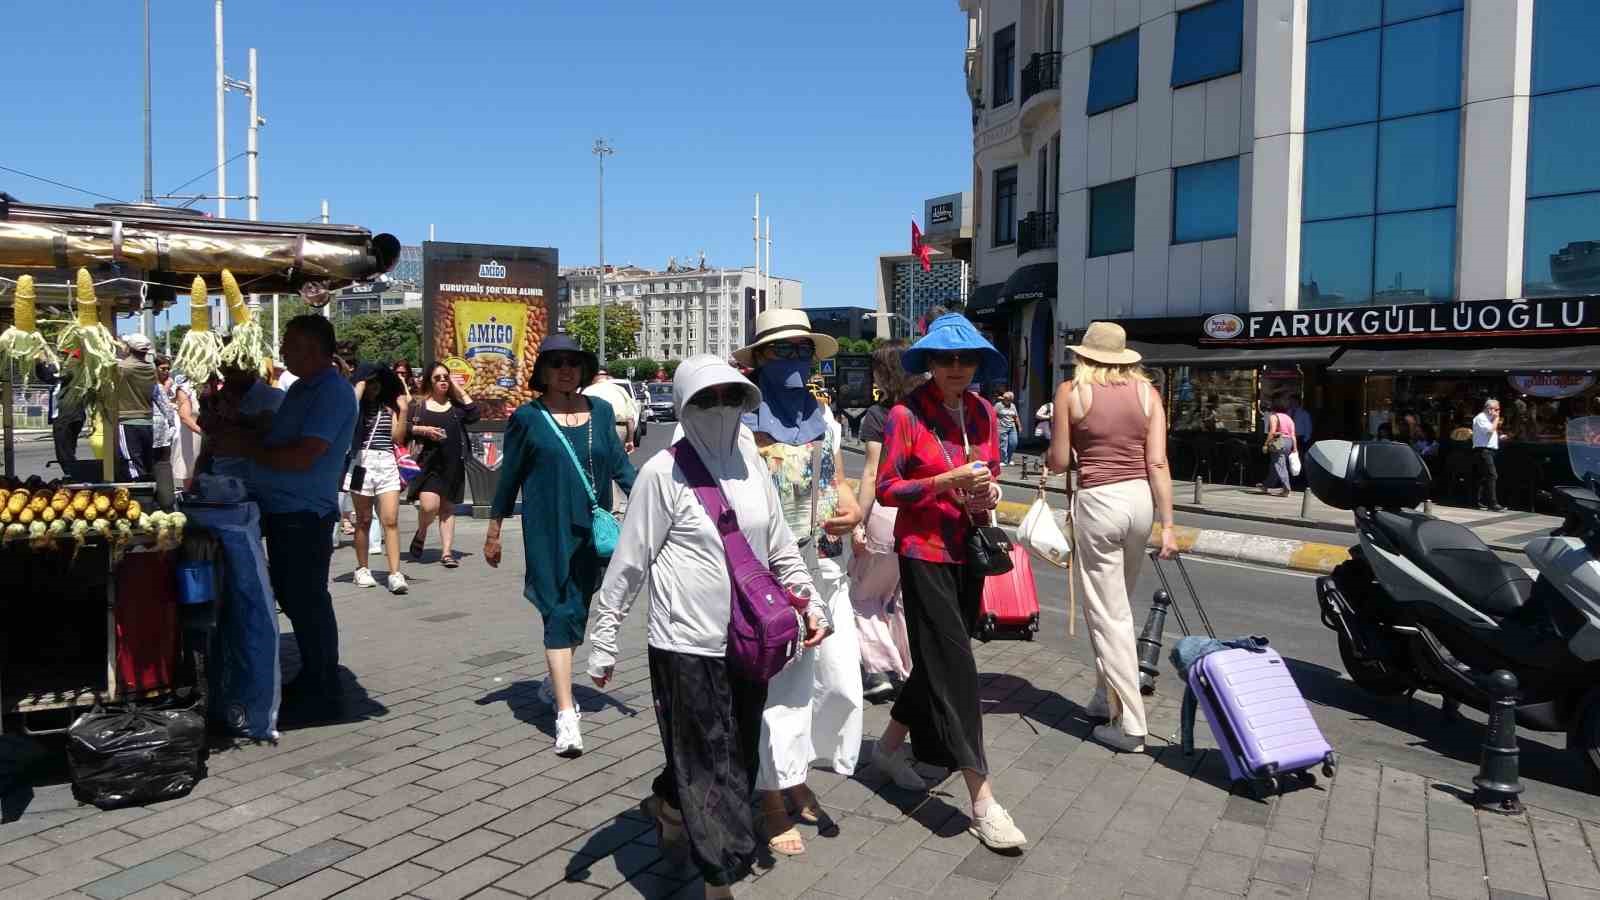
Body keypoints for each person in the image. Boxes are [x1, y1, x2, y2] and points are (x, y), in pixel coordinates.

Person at [586, 356, 825, 898]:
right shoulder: (661, 473)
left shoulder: (751, 463)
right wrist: (603, 640)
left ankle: (670, 806)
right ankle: (720, 879)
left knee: (731, 751)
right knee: (708, 762)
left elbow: (780, 546)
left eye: (729, 398)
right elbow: (629, 562)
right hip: (684, 643)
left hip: (749, 640)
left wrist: (812, 604)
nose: (719, 409)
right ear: (685, 405)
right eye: (706, 399)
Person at [870, 312, 1027, 852]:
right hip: (922, 552)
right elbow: (887, 489)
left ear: (979, 363)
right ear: (929, 364)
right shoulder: (905, 415)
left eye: (965, 358)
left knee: (940, 656)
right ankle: (983, 798)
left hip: (970, 550)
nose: (956, 367)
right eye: (945, 358)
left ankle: (890, 747)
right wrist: (943, 482)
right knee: (958, 667)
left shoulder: (983, 412)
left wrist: (986, 495)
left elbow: (990, 477)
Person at [734, 309, 863, 857]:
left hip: (825, 562)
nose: (795, 361)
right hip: (769, 574)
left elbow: (836, 480)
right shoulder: (740, 422)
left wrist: (851, 506)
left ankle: (795, 771)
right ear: (759, 359)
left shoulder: (823, 415)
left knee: (838, 683)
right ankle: (771, 794)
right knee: (782, 689)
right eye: (782, 351)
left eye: (803, 351)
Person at [485, 333, 636, 757]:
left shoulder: (602, 412)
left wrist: (662, 499)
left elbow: (622, 468)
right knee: (560, 610)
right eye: (556, 363)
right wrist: (494, 528)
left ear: (584, 370)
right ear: (543, 372)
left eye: (573, 362)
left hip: (592, 531)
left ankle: (554, 682)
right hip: (547, 530)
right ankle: (566, 717)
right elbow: (509, 475)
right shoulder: (529, 417)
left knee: (578, 613)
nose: (566, 369)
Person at [212, 315, 357, 720]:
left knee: (305, 598)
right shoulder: (301, 389)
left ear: (313, 349)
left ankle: (322, 684)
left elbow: (304, 454)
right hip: (283, 507)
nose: (283, 353)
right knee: (295, 595)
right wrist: (253, 429)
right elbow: (283, 438)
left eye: (290, 345)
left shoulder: (331, 392)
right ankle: (315, 676)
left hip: (304, 512)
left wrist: (245, 444)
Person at [1045, 321, 1178, 754]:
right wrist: (1169, 526)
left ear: (1084, 356)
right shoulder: (1148, 394)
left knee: (1108, 616)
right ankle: (1104, 700)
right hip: (1140, 501)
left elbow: (1061, 461)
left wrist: (1055, 448)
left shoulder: (1070, 393)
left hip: (1099, 501)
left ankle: (1133, 725)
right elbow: (1158, 463)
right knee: (1118, 605)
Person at [850, 341, 918, 702]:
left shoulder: (880, 415)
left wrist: (857, 521)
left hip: (886, 514)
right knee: (902, 598)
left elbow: (872, 473)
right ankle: (909, 667)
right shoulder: (924, 410)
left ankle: (879, 669)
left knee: (864, 596)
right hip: (919, 513)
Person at [346, 364, 411, 594]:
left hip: (386, 462)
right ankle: (362, 568)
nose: (374, 387)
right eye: (370, 382)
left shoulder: (389, 407)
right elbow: (347, 419)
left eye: (377, 382)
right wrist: (359, 390)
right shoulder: (357, 407)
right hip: (362, 462)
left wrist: (403, 412)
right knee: (363, 519)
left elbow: (398, 438)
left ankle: (395, 573)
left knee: (390, 519)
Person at [408, 362, 479, 567]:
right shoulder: (419, 405)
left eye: (446, 377)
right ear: (429, 381)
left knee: (447, 508)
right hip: (428, 465)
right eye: (437, 378)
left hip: (453, 464)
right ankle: (422, 531)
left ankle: (447, 553)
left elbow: (474, 414)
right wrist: (423, 430)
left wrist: (458, 388)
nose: (442, 381)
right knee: (430, 506)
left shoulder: (455, 407)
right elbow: (403, 427)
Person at [194, 360, 285, 483]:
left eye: (232, 370)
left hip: (260, 486)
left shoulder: (273, 397)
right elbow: (207, 449)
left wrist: (234, 417)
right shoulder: (218, 400)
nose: (225, 373)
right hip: (221, 483)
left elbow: (268, 431)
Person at [114, 334, 159, 477]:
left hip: (128, 420)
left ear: (129, 348)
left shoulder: (123, 367)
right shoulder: (151, 368)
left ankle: (139, 492)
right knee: (146, 460)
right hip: (146, 420)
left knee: (132, 461)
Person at [582, 368, 637, 453]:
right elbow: (630, 419)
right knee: (617, 460)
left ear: (593, 378)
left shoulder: (587, 391)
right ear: (608, 377)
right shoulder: (620, 390)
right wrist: (630, 440)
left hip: (595, 430)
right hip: (619, 429)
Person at [51, 352, 87, 468]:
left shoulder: (71, 365)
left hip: (67, 414)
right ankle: (73, 475)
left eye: (61, 354)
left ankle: (75, 476)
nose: (59, 357)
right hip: (75, 413)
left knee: (64, 453)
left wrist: (39, 363)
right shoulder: (81, 366)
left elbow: (51, 376)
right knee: (68, 450)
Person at [1473, 398, 1507, 511]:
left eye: (1498, 409)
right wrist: (1497, 418)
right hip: (1484, 450)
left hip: (1489, 450)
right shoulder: (1481, 418)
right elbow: (1490, 430)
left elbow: (1491, 433)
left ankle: (1478, 501)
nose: (1498, 412)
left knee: (1484, 477)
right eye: (1496, 409)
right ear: (1489, 408)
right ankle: (1493, 503)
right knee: (1492, 475)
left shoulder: (1488, 418)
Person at [1260, 400, 1296, 498]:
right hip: (1289, 442)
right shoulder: (1289, 418)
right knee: (1275, 464)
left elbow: (1272, 432)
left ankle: (1286, 488)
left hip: (1279, 441)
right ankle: (1265, 485)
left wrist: (1265, 444)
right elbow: (1293, 435)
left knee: (1279, 464)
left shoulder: (1274, 417)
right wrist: (1295, 448)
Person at [994, 390, 1020, 466]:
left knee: (1013, 443)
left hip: (1012, 426)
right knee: (1003, 444)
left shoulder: (1013, 406)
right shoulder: (998, 405)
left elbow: (1016, 416)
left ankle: (1009, 458)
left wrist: (1019, 425)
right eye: (1007, 399)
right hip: (1001, 427)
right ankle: (1003, 460)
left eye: (1010, 400)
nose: (1009, 401)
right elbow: (993, 414)